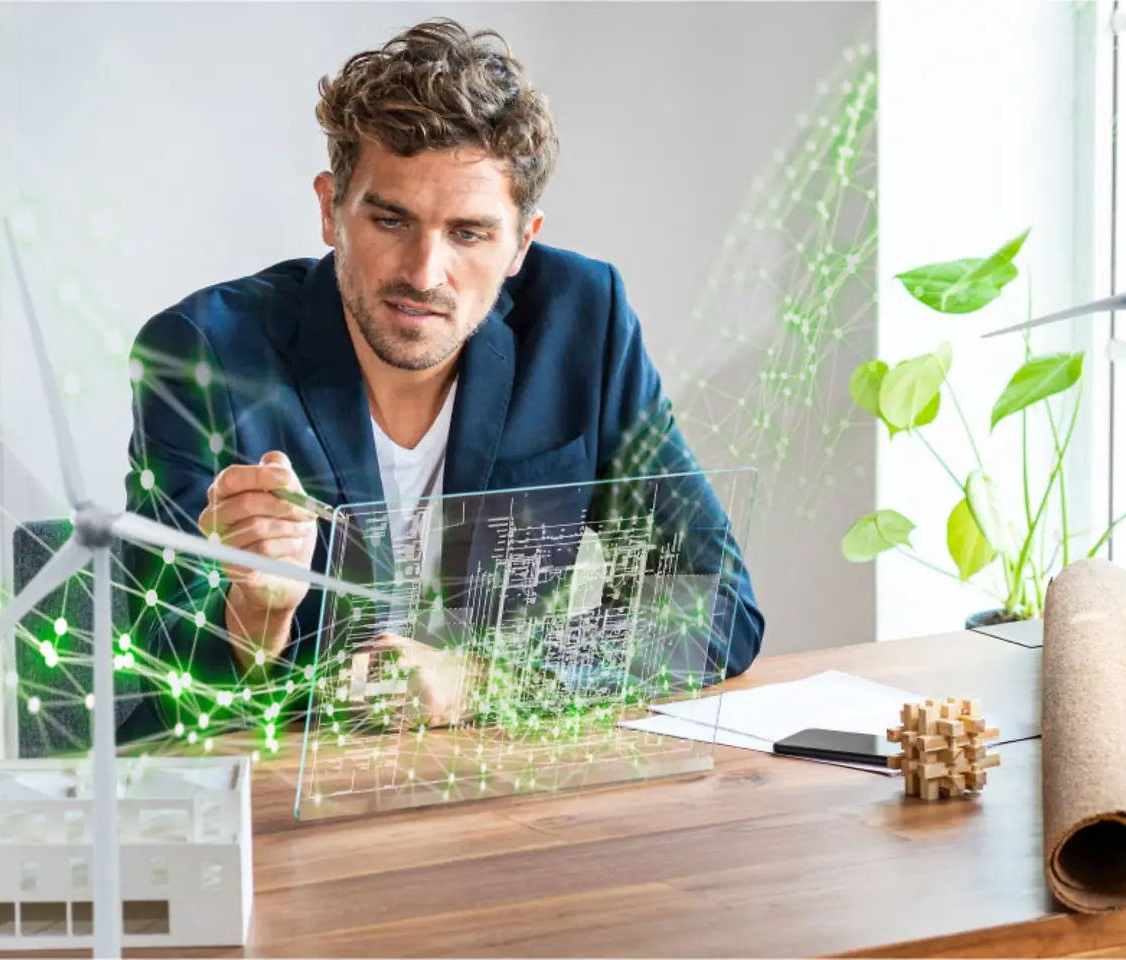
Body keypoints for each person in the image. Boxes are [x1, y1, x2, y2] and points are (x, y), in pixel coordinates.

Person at [122, 17, 763, 735]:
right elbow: (165, 692)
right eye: (391, 222)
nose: (424, 274)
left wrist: (488, 681)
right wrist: (258, 613)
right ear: (331, 210)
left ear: (523, 242)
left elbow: (717, 606)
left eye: (469, 233)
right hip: (283, 804)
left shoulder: (584, 324)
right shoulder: (203, 353)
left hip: (491, 787)